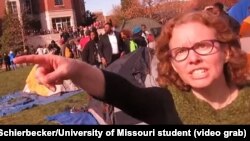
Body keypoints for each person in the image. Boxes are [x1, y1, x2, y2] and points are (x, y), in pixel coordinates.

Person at [14, 11, 250, 124]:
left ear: (227, 50)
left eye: (203, 46)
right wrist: (75, 68)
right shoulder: (168, 103)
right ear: (173, 65)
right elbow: (123, 92)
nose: (193, 58)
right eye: (180, 52)